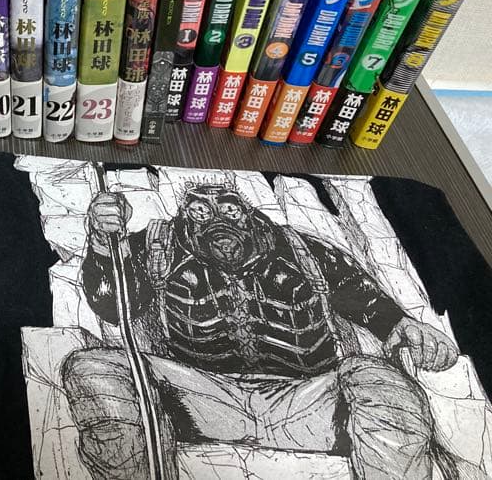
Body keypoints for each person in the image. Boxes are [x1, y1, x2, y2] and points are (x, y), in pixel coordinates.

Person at [62, 181, 461, 480]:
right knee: (92, 367)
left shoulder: (301, 249)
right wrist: (103, 241)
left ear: (249, 214)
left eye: (229, 209)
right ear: (186, 217)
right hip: (201, 398)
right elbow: (112, 305)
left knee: (377, 377)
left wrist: (404, 325)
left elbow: (362, 296)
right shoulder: (157, 247)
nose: (216, 219)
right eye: (200, 211)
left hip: (308, 402)